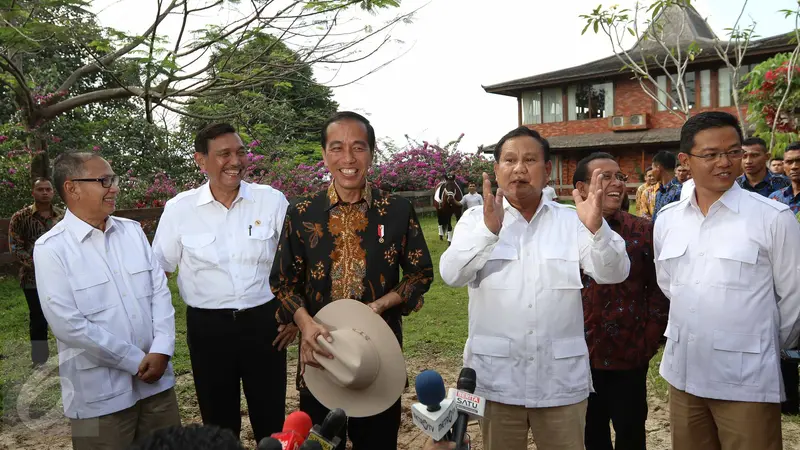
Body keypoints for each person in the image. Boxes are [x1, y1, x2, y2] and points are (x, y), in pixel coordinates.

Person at [439, 126, 630, 450]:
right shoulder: (475, 220)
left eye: (529, 159)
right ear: (497, 169)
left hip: (560, 382)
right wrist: (488, 231)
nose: (519, 168)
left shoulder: (573, 220)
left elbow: (613, 272)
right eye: (509, 160)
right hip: (496, 381)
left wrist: (597, 228)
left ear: (547, 170)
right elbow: (451, 274)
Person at [270, 111, 434, 450]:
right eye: (337, 148)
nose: (348, 158)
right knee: (321, 442)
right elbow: (283, 283)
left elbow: (420, 274)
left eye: (358, 148)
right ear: (324, 154)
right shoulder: (302, 212)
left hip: (377, 356)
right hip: (319, 354)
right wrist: (305, 324)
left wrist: (379, 305)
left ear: (371, 154)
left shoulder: (397, 210)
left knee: (378, 441)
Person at [654, 111, 800, 450]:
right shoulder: (668, 220)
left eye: (734, 152)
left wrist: (756, 346)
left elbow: (793, 300)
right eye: (711, 154)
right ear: (685, 160)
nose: (726, 162)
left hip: (745, 379)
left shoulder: (773, 219)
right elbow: (669, 285)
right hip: (684, 372)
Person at [151, 123, 295, 444]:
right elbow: (158, 273)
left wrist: (294, 313)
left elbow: (296, 263)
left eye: (241, 152)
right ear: (201, 160)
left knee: (271, 416)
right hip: (208, 330)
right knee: (217, 423)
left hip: (265, 324)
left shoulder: (271, 201)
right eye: (224, 154)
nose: (236, 161)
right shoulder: (179, 210)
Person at [33, 152, 180, 449]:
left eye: (113, 179)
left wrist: (163, 348)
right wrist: (135, 360)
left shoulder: (132, 232)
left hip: (158, 387)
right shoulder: (52, 249)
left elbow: (159, 293)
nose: (114, 187)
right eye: (104, 180)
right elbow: (67, 325)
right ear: (72, 188)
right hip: (98, 398)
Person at [573, 153, 669, 450]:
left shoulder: (643, 230)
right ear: (582, 187)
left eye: (620, 177)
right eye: (606, 177)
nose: (616, 184)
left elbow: (659, 288)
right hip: (580, 356)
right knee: (590, 434)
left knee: (630, 433)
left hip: (630, 354)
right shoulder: (566, 230)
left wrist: (648, 340)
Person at [8, 177, 64, 366]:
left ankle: (70, 357)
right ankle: (40, 361)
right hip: (33, 278)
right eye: (40, 189)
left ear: (53, 192)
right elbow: (15, 248)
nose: (45, 192)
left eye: (48, 189)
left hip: (62, 277)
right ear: (33, 192)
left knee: (66, 316)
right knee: (38, 318)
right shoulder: (20, 217)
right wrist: (39, 265)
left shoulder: (63, 216)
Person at [769, 141, 800, 415]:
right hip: (785, 277)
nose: (794, 166)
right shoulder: (776, 199)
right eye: (789, 161)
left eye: (798, 160)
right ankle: (789, 398)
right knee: (788, 340)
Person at [651, 150, 681, 222]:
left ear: (658, 168)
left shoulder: (678, 192)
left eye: (652, 168)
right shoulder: (660, 192)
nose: (652, 172)